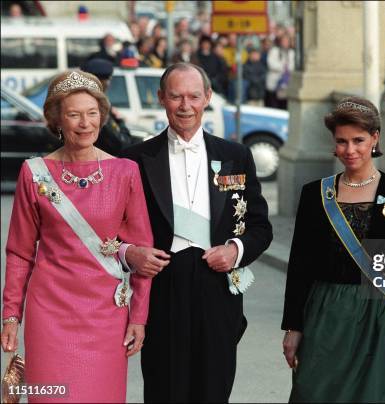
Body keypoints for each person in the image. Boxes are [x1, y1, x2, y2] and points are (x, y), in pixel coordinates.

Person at [120, 62, 273, 402]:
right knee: (163, 389)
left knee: (214, 389)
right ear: (161, 98)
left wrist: (235, 250)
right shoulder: (135, 159)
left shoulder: (235, 156)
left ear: (208, 97)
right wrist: (131, 253)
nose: (185, 105)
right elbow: (114, 232)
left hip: (216, 285)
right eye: (175, 96)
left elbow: (261, 226)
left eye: (193, 96)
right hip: (162, 285)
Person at [1, 70, 155, 402]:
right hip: (50, 313)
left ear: (102, 116)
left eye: (91, 113)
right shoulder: (34, 173)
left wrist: (139, 317)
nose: (84, 123)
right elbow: (19, 252)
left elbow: (143, 253)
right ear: (57, 120)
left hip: (105, 314)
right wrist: (11, 314)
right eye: (73, 114)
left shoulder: (126, 172)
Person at [282, 96, 385, 402]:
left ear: (375, 138)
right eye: (342, 141)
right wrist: (293, 326)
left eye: (358, 140)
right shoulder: (315, 194)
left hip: (383, 317)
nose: (350, 150)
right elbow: (300, 266)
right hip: (327, 316)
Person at [81, 58, 136, 154]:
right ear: (100, 81)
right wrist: (120, 121)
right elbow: (122, 144)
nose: (109, 84)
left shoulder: (80, 104)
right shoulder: (97, 108)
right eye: (108, 79)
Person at [265, 34, 295, 109]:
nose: (285, 43)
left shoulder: (292, 52)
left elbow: (293, 66)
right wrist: (284, 67)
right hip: (274, 84)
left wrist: (287, 68)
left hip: (287, 84)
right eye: (283, 41)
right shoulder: (274, 50)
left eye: (287, 41)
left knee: (284, 106)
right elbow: (271, 63)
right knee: (274, 106)